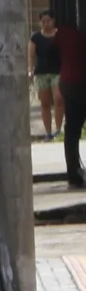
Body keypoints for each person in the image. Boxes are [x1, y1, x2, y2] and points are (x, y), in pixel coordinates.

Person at [57, 13, 86, 191]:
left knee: (72, 130)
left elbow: (52, 52)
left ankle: (73, 172)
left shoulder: (64, 35)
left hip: (70, 83)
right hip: (77, 83)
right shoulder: (74, 37)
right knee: (73, 130)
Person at [37, 13, 64, 142]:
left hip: (58, 71)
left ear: (53, 21)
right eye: (43, 21)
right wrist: (30, 70)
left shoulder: (59, 35)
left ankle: (58, 130)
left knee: (58, 99)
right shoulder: (36, 37)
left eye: (48, 21)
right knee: (45, 103)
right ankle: (48, 132)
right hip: (41, 72)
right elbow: (31, 54)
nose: (46, 24)